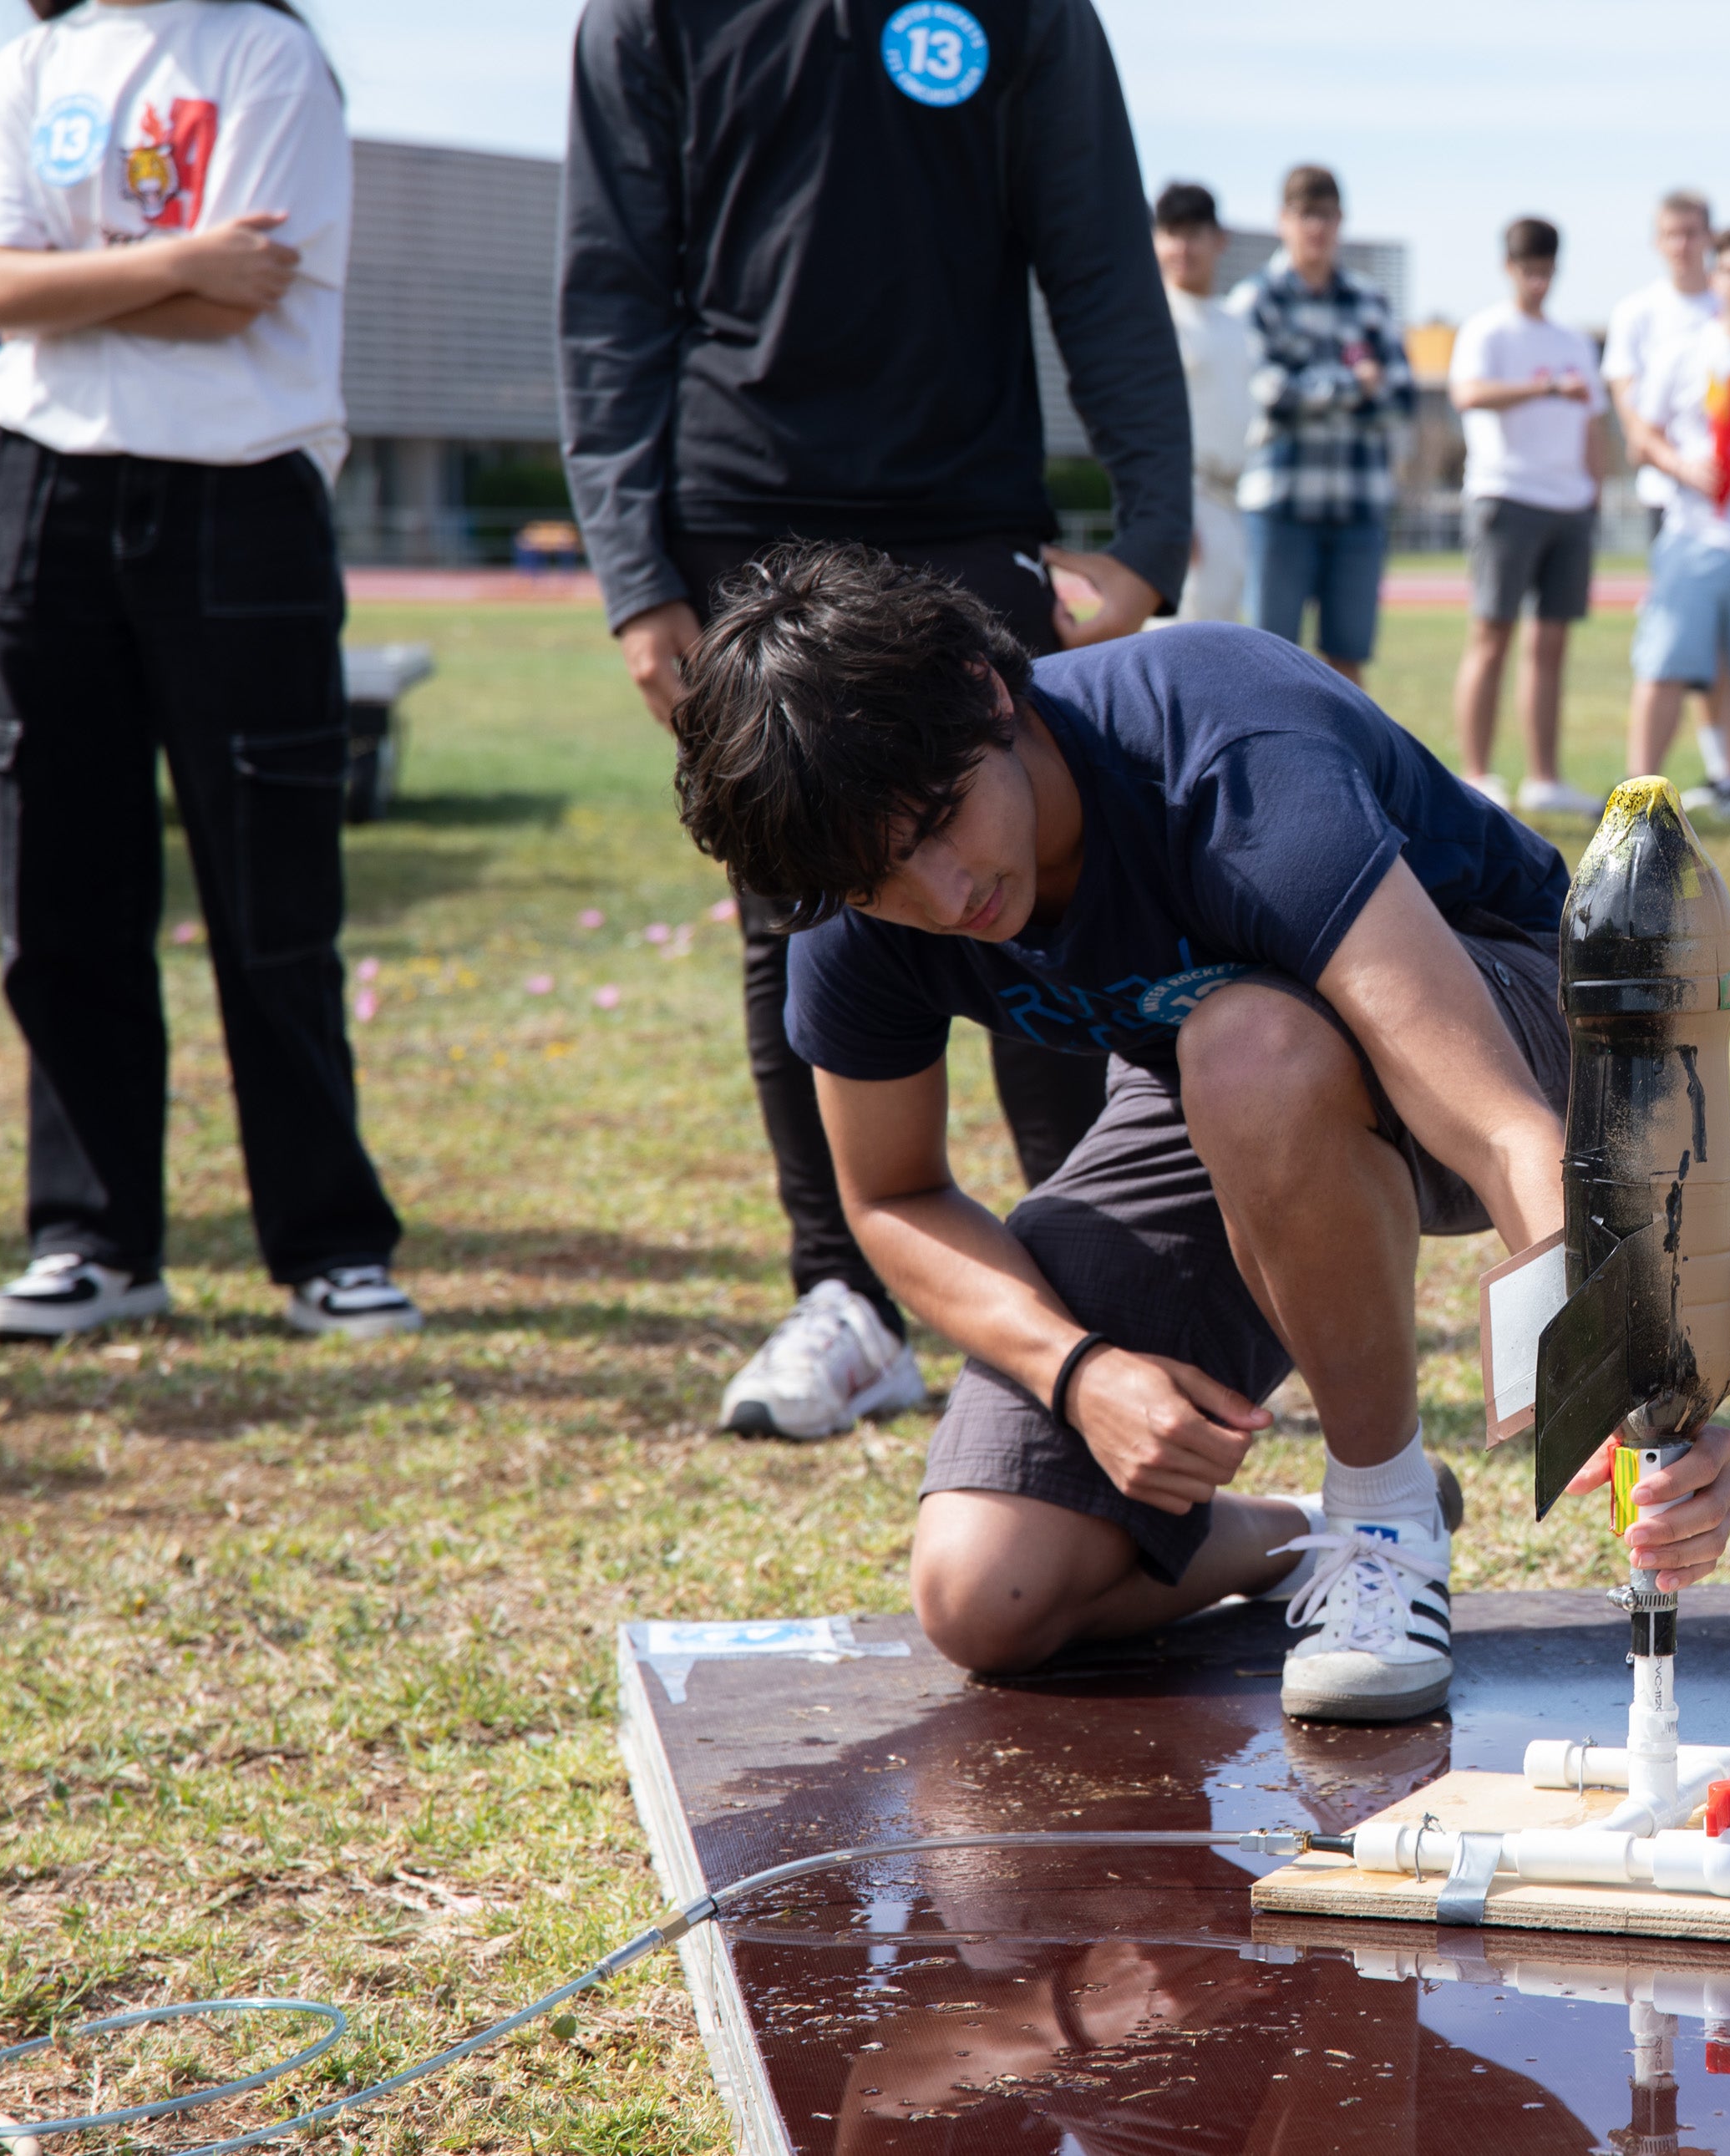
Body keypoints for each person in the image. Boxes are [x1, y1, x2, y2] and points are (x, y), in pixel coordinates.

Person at [665, 545, 1730, 1722]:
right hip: (1236, 1080)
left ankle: (1379, 1518)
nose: (942, 896)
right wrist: (1076, 1374)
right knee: (987, 1590)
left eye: (940, 820)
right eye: (883, 881)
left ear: (990, 692)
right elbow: (889, 1196)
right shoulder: (856, 891)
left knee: (1247, 1048)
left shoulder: (1226, 743)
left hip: (1509, 1012)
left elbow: (1496, 1123)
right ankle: (1314, 1535)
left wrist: (1632, 1357)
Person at [561, 0, 1195, 1440]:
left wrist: (1148, 527)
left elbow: (1095, 255)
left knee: (1034, 884)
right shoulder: (650, 18)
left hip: (967, 516)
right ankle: (843, 1295)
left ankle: (1087, 1275)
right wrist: (631, 566)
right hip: (738, 517)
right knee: (800, 914)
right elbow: (610, 285)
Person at [0, 0, 419, 1343]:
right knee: (59, 891)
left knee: (274, 896)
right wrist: (174, 260)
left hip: (239, 497)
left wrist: (75, 279)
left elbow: (243, 301)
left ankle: (329, 1241)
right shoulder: (29, 65)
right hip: (40, 494)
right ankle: (92, 1240)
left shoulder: (265, 51)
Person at [1601, 190, 1730, 819]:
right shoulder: (1682, 352)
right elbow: (1641, 435)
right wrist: (1680, 465)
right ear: (1715, 275)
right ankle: (1640, 798)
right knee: (1665, 662)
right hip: (1696, 534)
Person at [1233, 165, 1412, 684]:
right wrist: (1356, 385)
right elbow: (1268, 393)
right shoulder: (1256, 299)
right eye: (1305, 215)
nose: (1317, 228)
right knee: (1269, 658)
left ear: (1342, 222)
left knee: (1348, 659)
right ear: (1282, 220)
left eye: (1327, 216)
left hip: (1360, 505)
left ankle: (1347, 765)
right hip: (1279, 504)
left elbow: (1400, 398)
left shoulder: (1370, 300)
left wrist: (1312, 387)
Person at [1448, 216, 1601, 818]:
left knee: (1552, 642)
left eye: (1545, 270)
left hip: (1568, 501)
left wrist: (1592, 486)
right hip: (1505, 494)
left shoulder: (1574, 340)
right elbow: (1468, 394)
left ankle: (1545, 776)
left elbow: (1592, 419)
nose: (1537, 282)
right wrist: (1542, 390)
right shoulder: (1487, 330)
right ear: (1508, 268)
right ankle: (1477, 772)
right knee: (1491, 635)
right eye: (1527, 270)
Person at [1151, 180, 1253, 624]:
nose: (1181, 247)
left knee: (1222, 644)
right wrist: (1169, 513)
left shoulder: (1237, 323)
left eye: (1192, 233)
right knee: (1175, 648)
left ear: (1219, 239)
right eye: (1170, 233)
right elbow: (1142, 425)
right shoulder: (1152, 318)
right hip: (1183, 501)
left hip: (1232, 502)